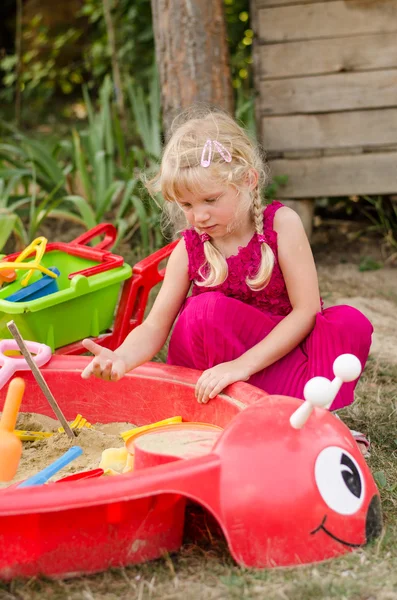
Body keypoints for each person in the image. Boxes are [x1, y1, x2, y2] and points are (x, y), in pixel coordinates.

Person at [81, 108, 373, 453]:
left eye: (211, 200)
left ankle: (310, 417)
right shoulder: (189, 249)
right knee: (205, 311)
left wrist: (242, 366)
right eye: (186, 204)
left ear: (248, 180)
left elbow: (306, 310)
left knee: (349, 322)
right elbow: (154, 326)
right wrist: (122, 358)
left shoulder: (282, 224)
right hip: (219, 369)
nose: (199, 215)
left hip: (279, 358)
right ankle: (243, 418)